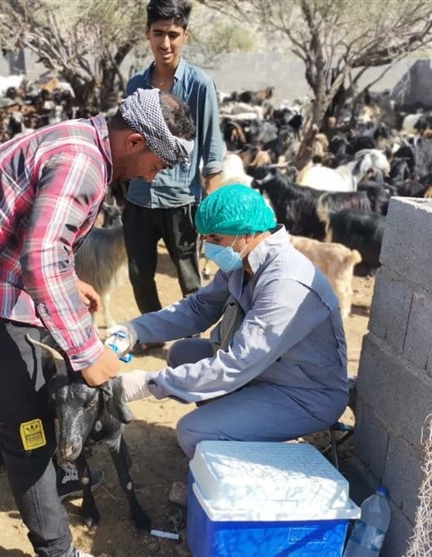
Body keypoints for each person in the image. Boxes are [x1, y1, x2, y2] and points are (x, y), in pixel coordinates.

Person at [0, 89, 195, 557]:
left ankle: (51, 476)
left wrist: (71, 282)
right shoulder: (81, 165)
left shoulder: (82, 141)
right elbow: (42, 256)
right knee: (28, 426)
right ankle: (57, 549)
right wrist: (88, 354)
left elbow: (46, 239)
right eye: (158, 164)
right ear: (133, 141)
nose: (155, 175)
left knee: (35, 390)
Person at [111, 184, 349, 458]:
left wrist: (148, 384)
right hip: (267, 371)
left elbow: (237, 364)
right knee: (183, 353)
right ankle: (234, 427)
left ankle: (240, 462)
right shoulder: (243, 259)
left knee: (194, 432)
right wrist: (134, 331)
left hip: (304, 393)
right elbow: (199, 308)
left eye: (215, 238)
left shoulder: (285, 282)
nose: (209, 246)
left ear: (246, 233)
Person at [122, 0, 225, 347]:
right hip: (138, 196)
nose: (165, 43)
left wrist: (214, 203)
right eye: (158, 34)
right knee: (139, 274)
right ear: (147, 34)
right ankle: (152, 336)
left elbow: (211, 147)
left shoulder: (199, 85)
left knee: (188, 277)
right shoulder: (136, 83)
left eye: (172, 35)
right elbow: (127, 139)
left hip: (181, 198)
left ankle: (194, 341)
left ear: (185, 35)